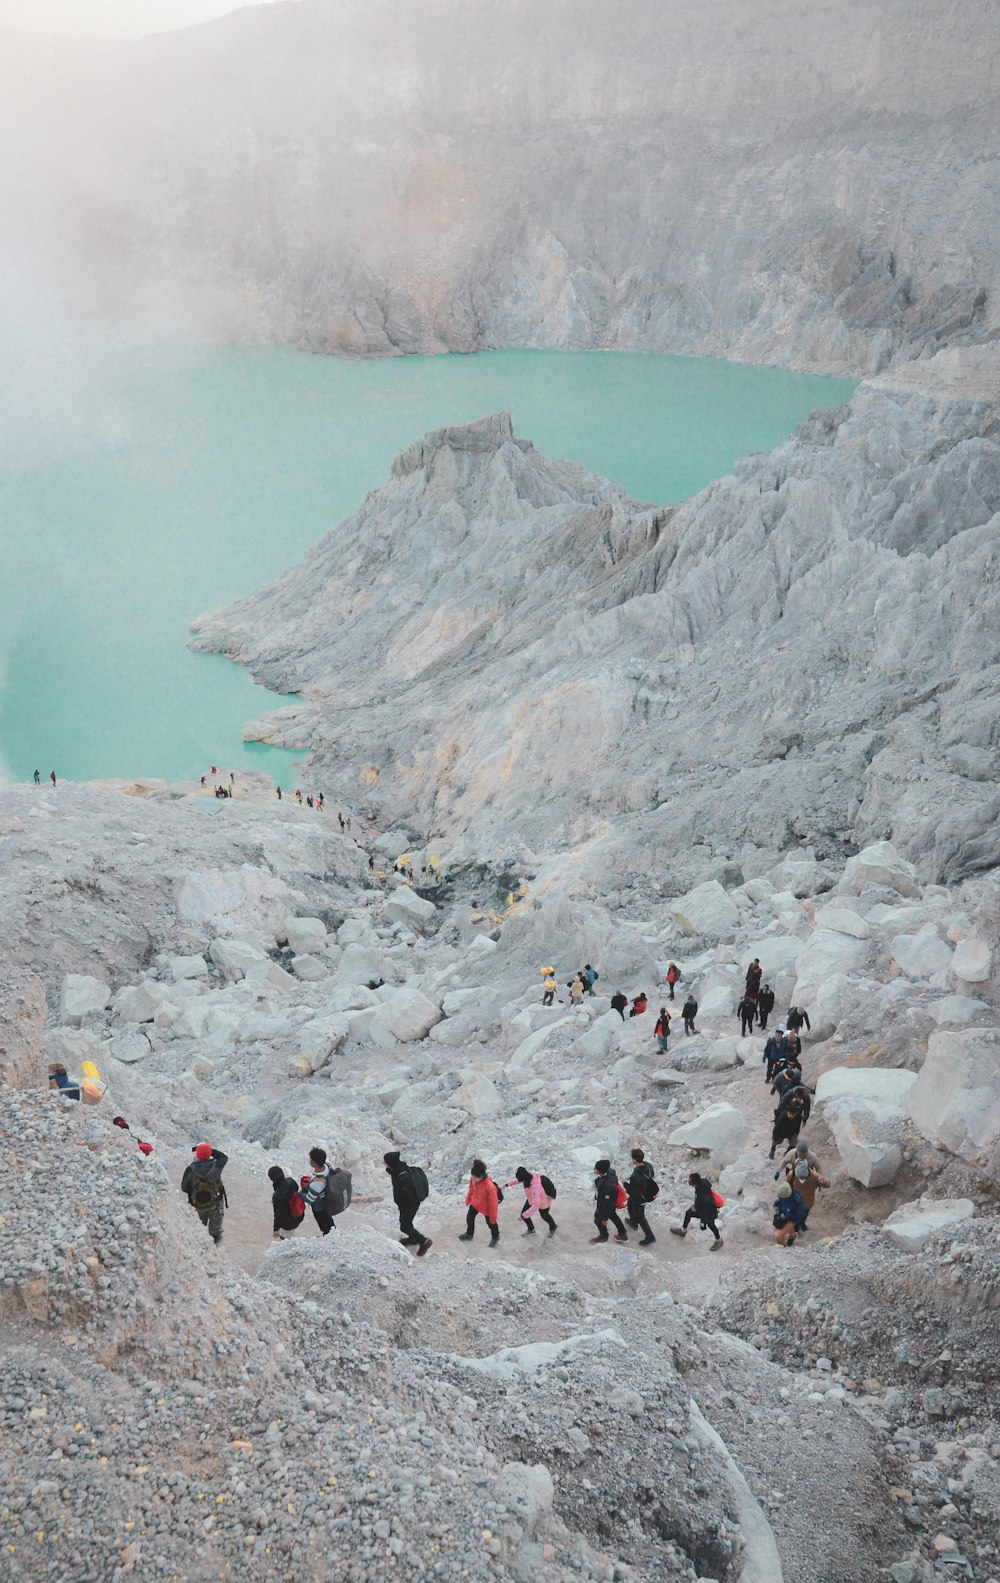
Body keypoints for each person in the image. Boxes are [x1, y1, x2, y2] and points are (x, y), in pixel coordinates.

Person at [384, 1151, 431, 1255]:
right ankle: (413, 1239)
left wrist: (404, 1206)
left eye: (386, 1162)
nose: (384, 1164)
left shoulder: (403, 1177)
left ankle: (424, 1241)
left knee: (404, 1226)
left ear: (391, 1163)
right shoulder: (398, 1169)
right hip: (404, 1203)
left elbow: (410, 1196)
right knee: (406, 1222)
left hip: (410, 1204)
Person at [181, 1143, 228, 1244]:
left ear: (197, 1155)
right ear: (209, 1154)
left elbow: (184, 1188)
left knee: (199, 1229)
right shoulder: (217, 1166)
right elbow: (224, 1157)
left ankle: (200, 1247)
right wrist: (209, 1150)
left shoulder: (190, 1169)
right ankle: (216, 1249)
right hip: (216, 1203)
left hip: (198, 1204)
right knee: (215, 1231)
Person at [671, 1173, 723, 1248]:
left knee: (711, 1225)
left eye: (690, 1180)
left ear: (695, 1183)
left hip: (709, 1212)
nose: (688, 1181)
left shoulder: (704, 1197)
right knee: (688, 1213)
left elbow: (705, 1211)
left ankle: (719, 1241)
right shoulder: (702, 1182)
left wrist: (703, 1223)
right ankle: (683, 1231)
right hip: (700, 1208)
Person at [458, 1159, 500, 1247]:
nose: (472, 1179)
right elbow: (471, 1189)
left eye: (474, 1177)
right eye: (472, 1177)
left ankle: (495, 1236)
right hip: (475, 1203)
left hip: (486, 1207)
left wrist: (493, 1217)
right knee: (469, 1218)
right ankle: (469, 1234)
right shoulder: (473, 1179)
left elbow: (493, 1203)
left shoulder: (490, 1186)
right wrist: (468, 1199)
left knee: (491, 1223)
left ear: (481, 1176)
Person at [509, 1166, 557, 1236]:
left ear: (524, 1179)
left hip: (543, 1202)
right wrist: (507, 1184)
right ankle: (531, 1229)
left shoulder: (535, 1188)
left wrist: (523, 1216)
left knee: (544, 1216)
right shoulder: (530, 1175)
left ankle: (553, 1227)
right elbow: (518, 1180)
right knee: (524, 1214)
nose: (519, 1181)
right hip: (531, 1199)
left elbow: (536, 1205)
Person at [591, 1159, 629, 1244]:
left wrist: (604, 1219)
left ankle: (603, 1236)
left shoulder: (608, 1186)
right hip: (608, 1202)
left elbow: (608, 1203)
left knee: (598, 1219)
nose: (594, 1168)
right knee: (613, 1215)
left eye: (596, 1168)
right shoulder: (609, 1173)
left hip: (605, 1204)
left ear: (600, 1170)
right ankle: (623, 1234)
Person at [303, 1146, 337, 1235]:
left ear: (313, 1162)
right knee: (329, 1220)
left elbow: (310, 1199)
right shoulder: (328, 1165)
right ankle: (333, 1231)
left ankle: (328, 1236)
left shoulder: (317, 1183)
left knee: (324, 1224)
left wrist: (299, 1194)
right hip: (327, 1199)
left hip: (319, 1207)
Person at [625, 1147, 656, 1246]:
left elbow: (631, 1191)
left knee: (640, 1216)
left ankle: (650, 1237)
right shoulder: (648, 1165)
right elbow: (652, 1175)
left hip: (640, 1197)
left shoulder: (636, 1176)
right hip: (646, 1191)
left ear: (634, 1160)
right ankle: (633, 1222)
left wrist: (624, 1183)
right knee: (630, 1203)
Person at [770, 1087, 811, 1158]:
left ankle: (787, 1154)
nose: (791, 1116)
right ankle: (773, 1148)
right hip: (781, 1131)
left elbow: (807, 1108)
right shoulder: (783, 1117)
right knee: (777, 1141)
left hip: (791, 1131)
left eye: (793, 1114)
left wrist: (805, 1118)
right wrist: (775, 1137)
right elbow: (776, 1129)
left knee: (793, 1144)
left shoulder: (798, 1116)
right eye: (790, 1113)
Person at [268, 1165, 305, 1240]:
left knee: (284, 1241)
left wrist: (276, 1229)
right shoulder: (291, 1182)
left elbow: (278, 1216)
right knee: (290, 1233)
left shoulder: (277, 1196)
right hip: (299, 1215)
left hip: (288, 1223)